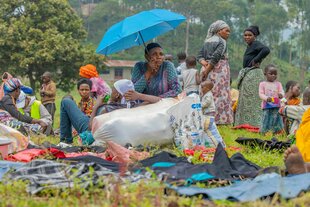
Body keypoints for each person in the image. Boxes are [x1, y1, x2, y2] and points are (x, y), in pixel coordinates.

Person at [60, 79, 135, 144]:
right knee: (68, 100)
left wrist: (96, 106)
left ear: (117, 95)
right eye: (82, 90)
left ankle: (66, 140)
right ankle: (66, 139)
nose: (110, 93)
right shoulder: (132, 105)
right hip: (92, 122)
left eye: (113, 91)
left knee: (66, 101)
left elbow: (91, 128)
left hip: (89, 127)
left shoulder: (108, 109)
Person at [197, 20, 233, 124]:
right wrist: (207, 70)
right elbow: (216, 57)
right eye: (226, 31)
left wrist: (204, 65)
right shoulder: (222, 42)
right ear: (219, 31)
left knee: (207, 92)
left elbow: (199, 56)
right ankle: (219, 120)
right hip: (219, 71)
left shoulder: (207, 41)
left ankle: (205, 117)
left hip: (206, 69)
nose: (228, 33)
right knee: (220, 93)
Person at [235, 25, 270, 128]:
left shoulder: (255, 44)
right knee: (247, 99)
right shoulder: (250, 46)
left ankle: (253, 123)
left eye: (249, 35)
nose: (247, 37)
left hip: (253, 74)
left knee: (252, 100)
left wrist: (256, 60)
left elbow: (266, 50)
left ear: (254, 36)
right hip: (249, 73)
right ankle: (246, 123)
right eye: (245, 35)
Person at [259, 64, 284, 134]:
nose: (273, 75)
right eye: (271, 74)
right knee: (266, 118)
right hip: (266, 105)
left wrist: (281, 94)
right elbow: (260, 94)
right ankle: (264, 131)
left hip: (276, 105)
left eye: (275, 74)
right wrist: (266, 98)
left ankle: (276, 131)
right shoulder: (262, 84)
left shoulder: (278, 84)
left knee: (276, 118)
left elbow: (282, 91)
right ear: (265, 74)